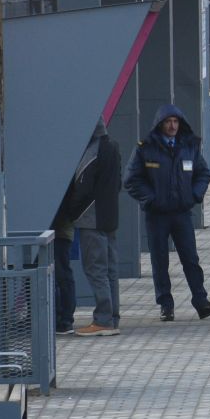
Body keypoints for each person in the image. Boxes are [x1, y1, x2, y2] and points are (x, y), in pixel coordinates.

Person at [124, 105, 210, 322]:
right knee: (160, 261)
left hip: (182, 213)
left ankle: (201, 302)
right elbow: (131, 179)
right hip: (157, 215)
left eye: (176, 122)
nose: (172, 126)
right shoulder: (146, 148)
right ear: (160, 124)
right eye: (168, 122)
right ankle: (165, 306)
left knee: (190, 259)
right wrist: (151, 199)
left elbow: (203, 173)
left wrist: (194, 195)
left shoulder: (189, 146)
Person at [73, 122, 124, 337]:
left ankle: (103, 319)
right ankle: (112, 317)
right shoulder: (113, 146)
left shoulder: (92, 150)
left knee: (95, 269)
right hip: (109, 216)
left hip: (91, 218)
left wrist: (71, 212)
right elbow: (118, 183)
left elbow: (82, 186)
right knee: (110, 270)